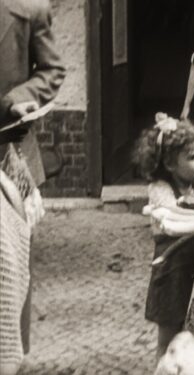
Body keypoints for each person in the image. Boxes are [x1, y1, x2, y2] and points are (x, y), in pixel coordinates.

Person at [0, 0, 66, 357]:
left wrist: (19, 97)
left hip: (10, 151)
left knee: (13, 265)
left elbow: (52, 71)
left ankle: (12, 359)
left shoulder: (29, 8)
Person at [132, 113, 194, 365]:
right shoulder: (160, 190)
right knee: (168, 338)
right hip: (171, 271)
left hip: (193, 268)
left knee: (189, 335)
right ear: (170, 164)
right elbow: (176, 216)